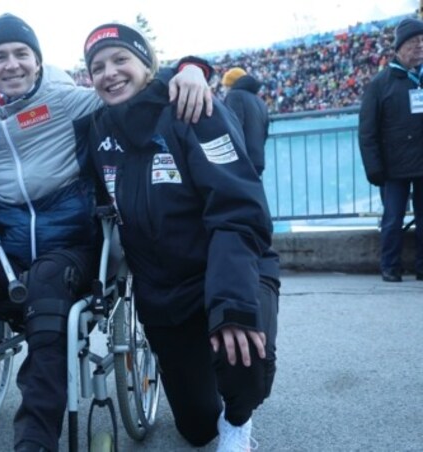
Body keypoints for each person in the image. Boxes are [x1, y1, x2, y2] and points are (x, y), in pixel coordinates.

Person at [0, 14, 212, 452]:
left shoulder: (69, 102)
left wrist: (191, 69)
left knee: (46, 289)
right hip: (8, 255)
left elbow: (132, 86)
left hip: (72, 247)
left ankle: (36, 440)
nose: (12, 64)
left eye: (22, 54)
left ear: (38, 63)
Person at [78, 23, 280, 451]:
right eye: (97, 67)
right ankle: (211, 393)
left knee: (243, 349)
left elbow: (238, 211)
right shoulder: (97, 130)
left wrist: (231, 305)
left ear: (147, 65)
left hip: (227, 270)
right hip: (162, 293)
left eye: (120, 60)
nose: (109, 73)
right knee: (195, 427)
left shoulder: (192, 109)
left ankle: (240, 421)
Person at [359, 17, 423, 283]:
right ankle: (390, 266)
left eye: (422, 41)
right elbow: (367, 131)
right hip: (393, 167)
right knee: (392, 219)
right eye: (413, 42)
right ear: (399, 48)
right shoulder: (380, 84)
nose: (419, 46)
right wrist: (374, 168)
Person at [220, 67, 269, 177]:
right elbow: (265, 133)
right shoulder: (260, 101)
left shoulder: (234, 96)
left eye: (225, 86)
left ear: (231, 84)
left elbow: (234, 127)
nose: (224, 89)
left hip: (242, 159)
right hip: (258, 159)